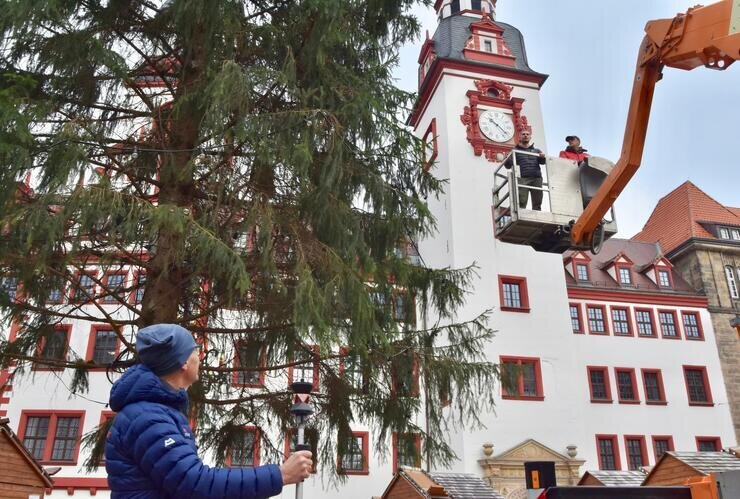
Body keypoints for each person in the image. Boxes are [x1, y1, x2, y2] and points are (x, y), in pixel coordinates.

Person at [106, 323, 312, 498]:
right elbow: (194, 483)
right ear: (184, 362)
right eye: (195, 350)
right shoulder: (148, 418)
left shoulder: (159, 412)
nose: (200, 356)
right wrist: (281, 474)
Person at [503, 129, 547, 211]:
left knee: (538, 200)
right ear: (519, 137)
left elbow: (542, 162)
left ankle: (536, 217)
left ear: (530, 137)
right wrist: (506, 159)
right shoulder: (515, 151)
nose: (525, 135)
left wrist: (542, 157)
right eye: (523, 134)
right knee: (522, 200)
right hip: (523, 178)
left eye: (527, 134)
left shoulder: (537, 151)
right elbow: (508, 165)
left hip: (536, 178)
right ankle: (521, 214)